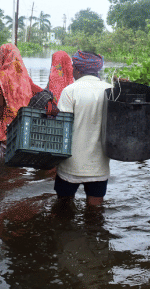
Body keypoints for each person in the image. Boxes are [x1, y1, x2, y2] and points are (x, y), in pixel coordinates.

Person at [55, 50, 112, 207]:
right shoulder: (110, 90)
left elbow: (62, 128)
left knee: (64, 208)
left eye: (74, 67)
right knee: (95, 211)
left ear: (79, 70)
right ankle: (95, 232)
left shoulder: (70, 91)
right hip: (99, 167)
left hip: (71, 165)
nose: (72, 70)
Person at [0, 44, 43, 161]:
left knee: (6, 161)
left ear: (2, 57)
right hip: (24, 123)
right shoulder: (24, 76)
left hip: (8, 126)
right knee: (21, 158)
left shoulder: (2, 77)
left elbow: (0, 105)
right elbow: (36, 90)